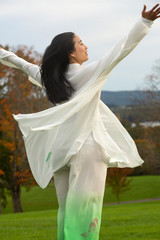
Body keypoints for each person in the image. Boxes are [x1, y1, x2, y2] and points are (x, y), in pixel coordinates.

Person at [0, 4, 160, 240]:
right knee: (85, 214)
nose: (86, 47)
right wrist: (144, 23)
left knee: (66, 212)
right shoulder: (88, 72)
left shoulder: (48, 77)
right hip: (87, 150)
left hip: (60, 152)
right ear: (71, 54)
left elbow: (18, 62)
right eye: (81, 43)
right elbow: (121, 49)